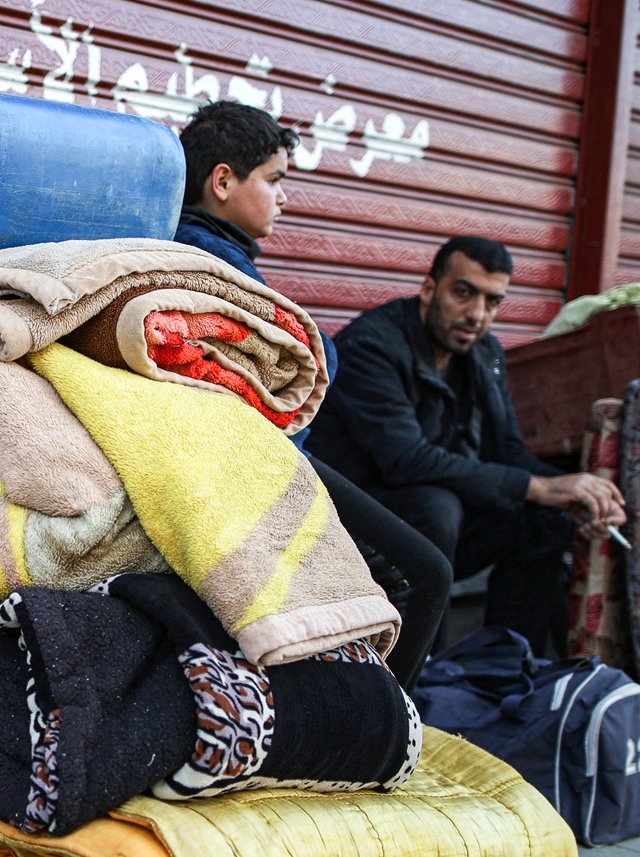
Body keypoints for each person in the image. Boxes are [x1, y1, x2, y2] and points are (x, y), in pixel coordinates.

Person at [174, 101, 451, 689]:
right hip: (257, 465)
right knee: (422, 574)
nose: (284, 198)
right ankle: (380, 730)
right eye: (274, 181)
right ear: (223, 181)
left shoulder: (201, 250)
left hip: (247, 459)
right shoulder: (212, 260)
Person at [307, 236, 624, 656]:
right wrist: (541, 487)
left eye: (492, 302)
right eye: (463, 293)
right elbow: (406, 460)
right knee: (437, 506)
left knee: (543, 519)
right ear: (428, 289)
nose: (476, 314)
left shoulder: (481, 352)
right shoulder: (373, 346)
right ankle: (424, 679)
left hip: (433, 525)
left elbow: (507, 453)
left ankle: (503, 670)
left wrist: (576, 495)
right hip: (346, 528)